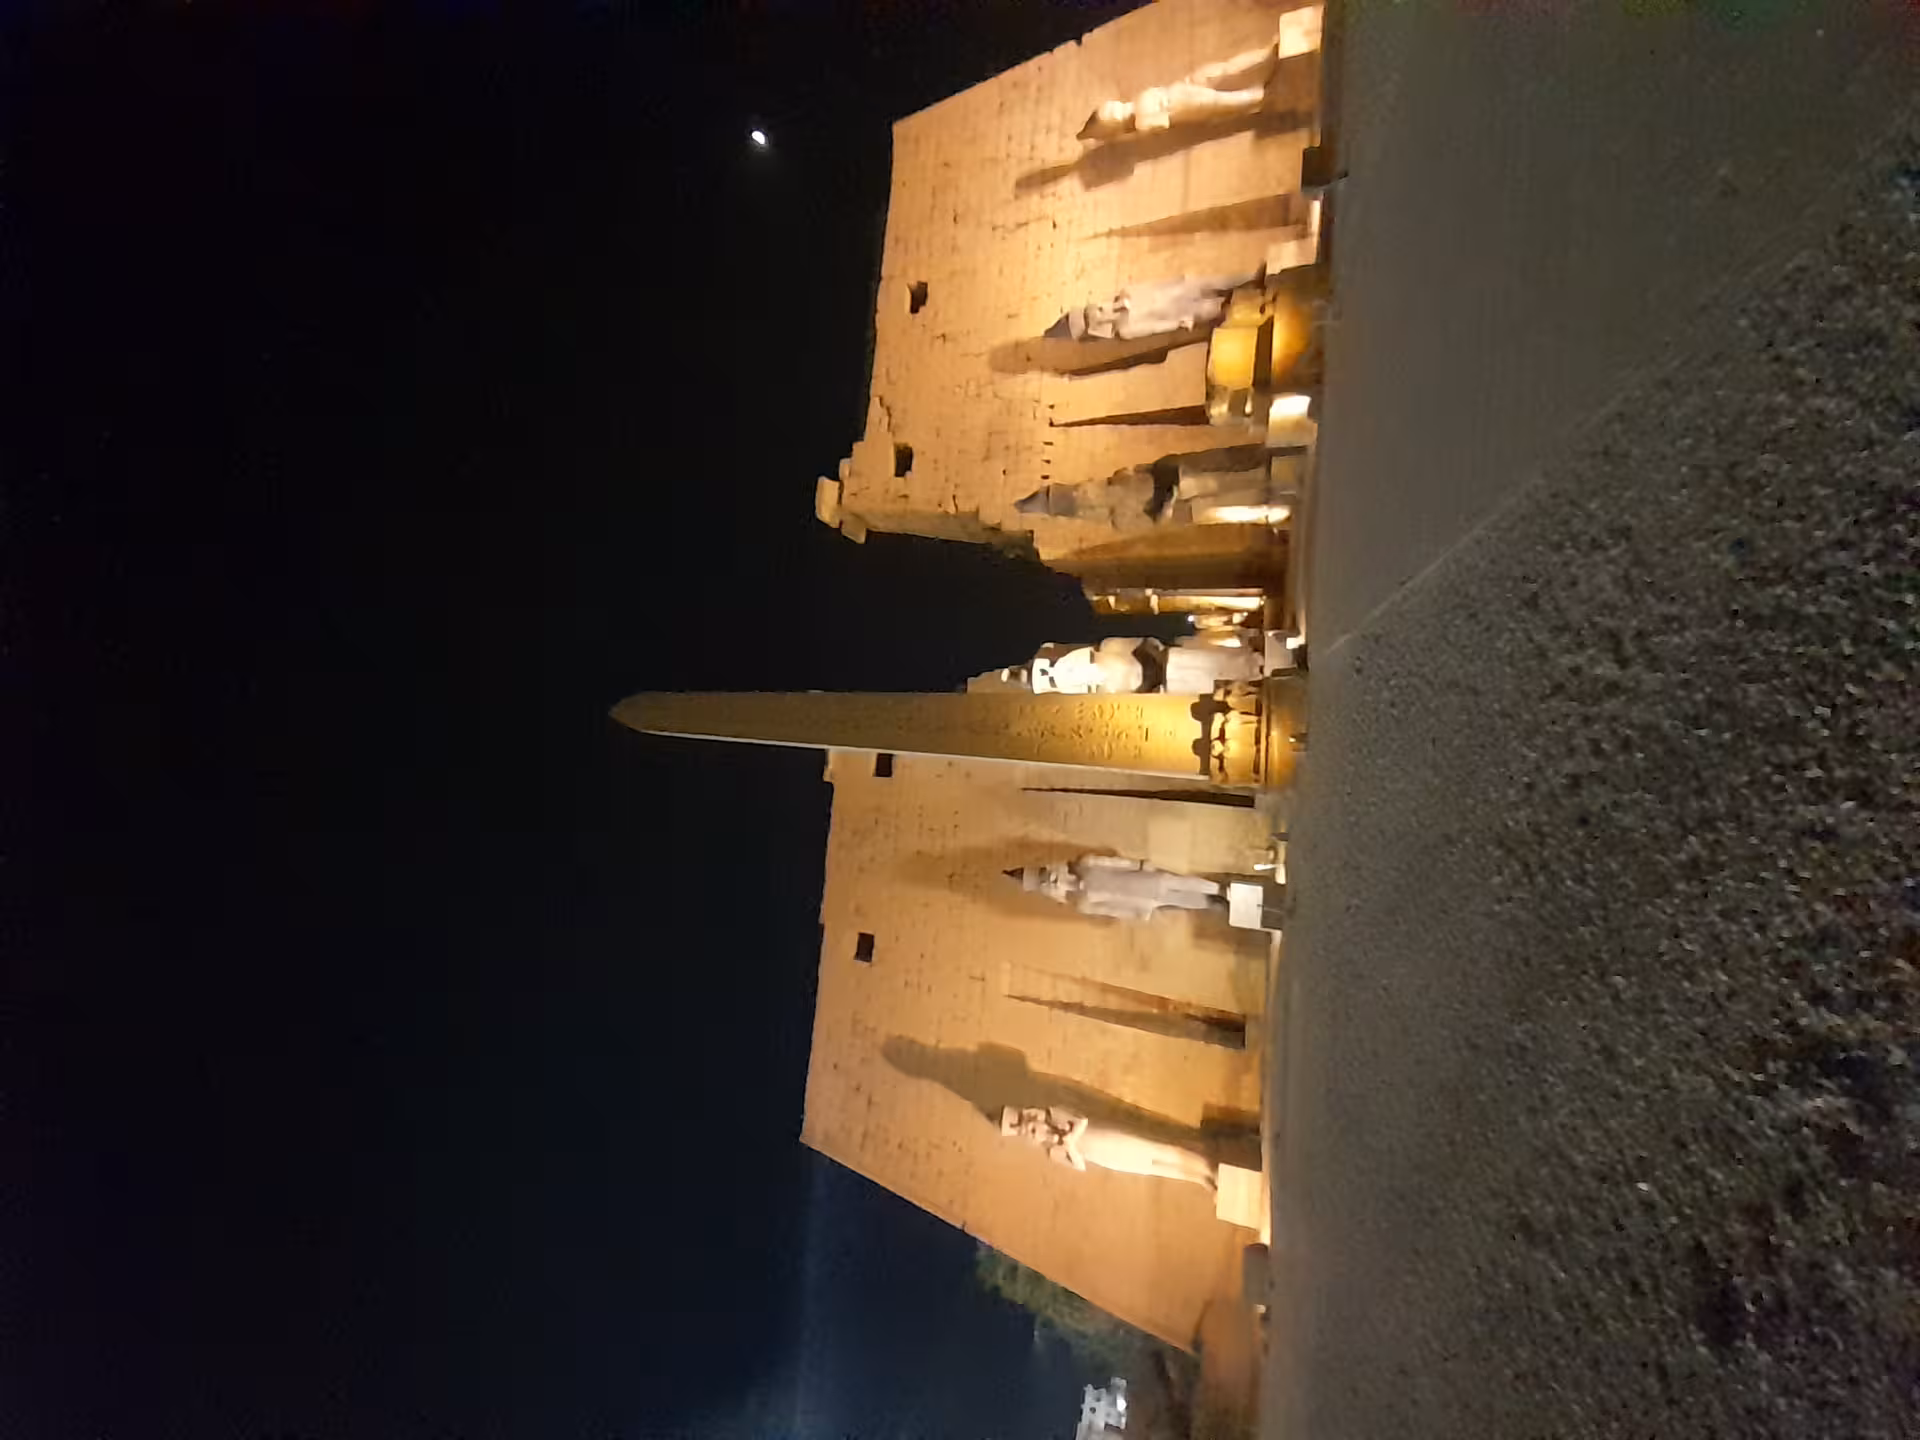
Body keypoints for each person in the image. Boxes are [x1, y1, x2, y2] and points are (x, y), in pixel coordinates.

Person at [1001, 1105, 1217, 1191]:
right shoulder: (1054, 1152)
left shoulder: (1056, 1115)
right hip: (1107, 1157)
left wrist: (1070, 1138)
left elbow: (1082, 1120)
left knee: (1162, 1151)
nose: (1035, 1133)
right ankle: (1202, 1181)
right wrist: (1070, 1148)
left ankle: (1208, 1169)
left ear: (1034, 1118)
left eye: (1031, 1127)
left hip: (1110, 1139)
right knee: (1155, 1167)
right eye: (1029, 1134)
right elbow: (1079, 1166)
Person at [1007, 855, 1223, 921]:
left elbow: (1112, 863)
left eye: (1049, 877)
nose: (1054, 881)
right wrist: (1134, 913)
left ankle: (1219, 890)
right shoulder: (1082, 903)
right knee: (1178, 900)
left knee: (1176, 882)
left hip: (1140, 880)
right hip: (1136, 899)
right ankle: (1214, 902)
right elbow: (1110, 909)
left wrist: (1137, 865)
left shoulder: (1085, 863)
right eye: (1049, 884)